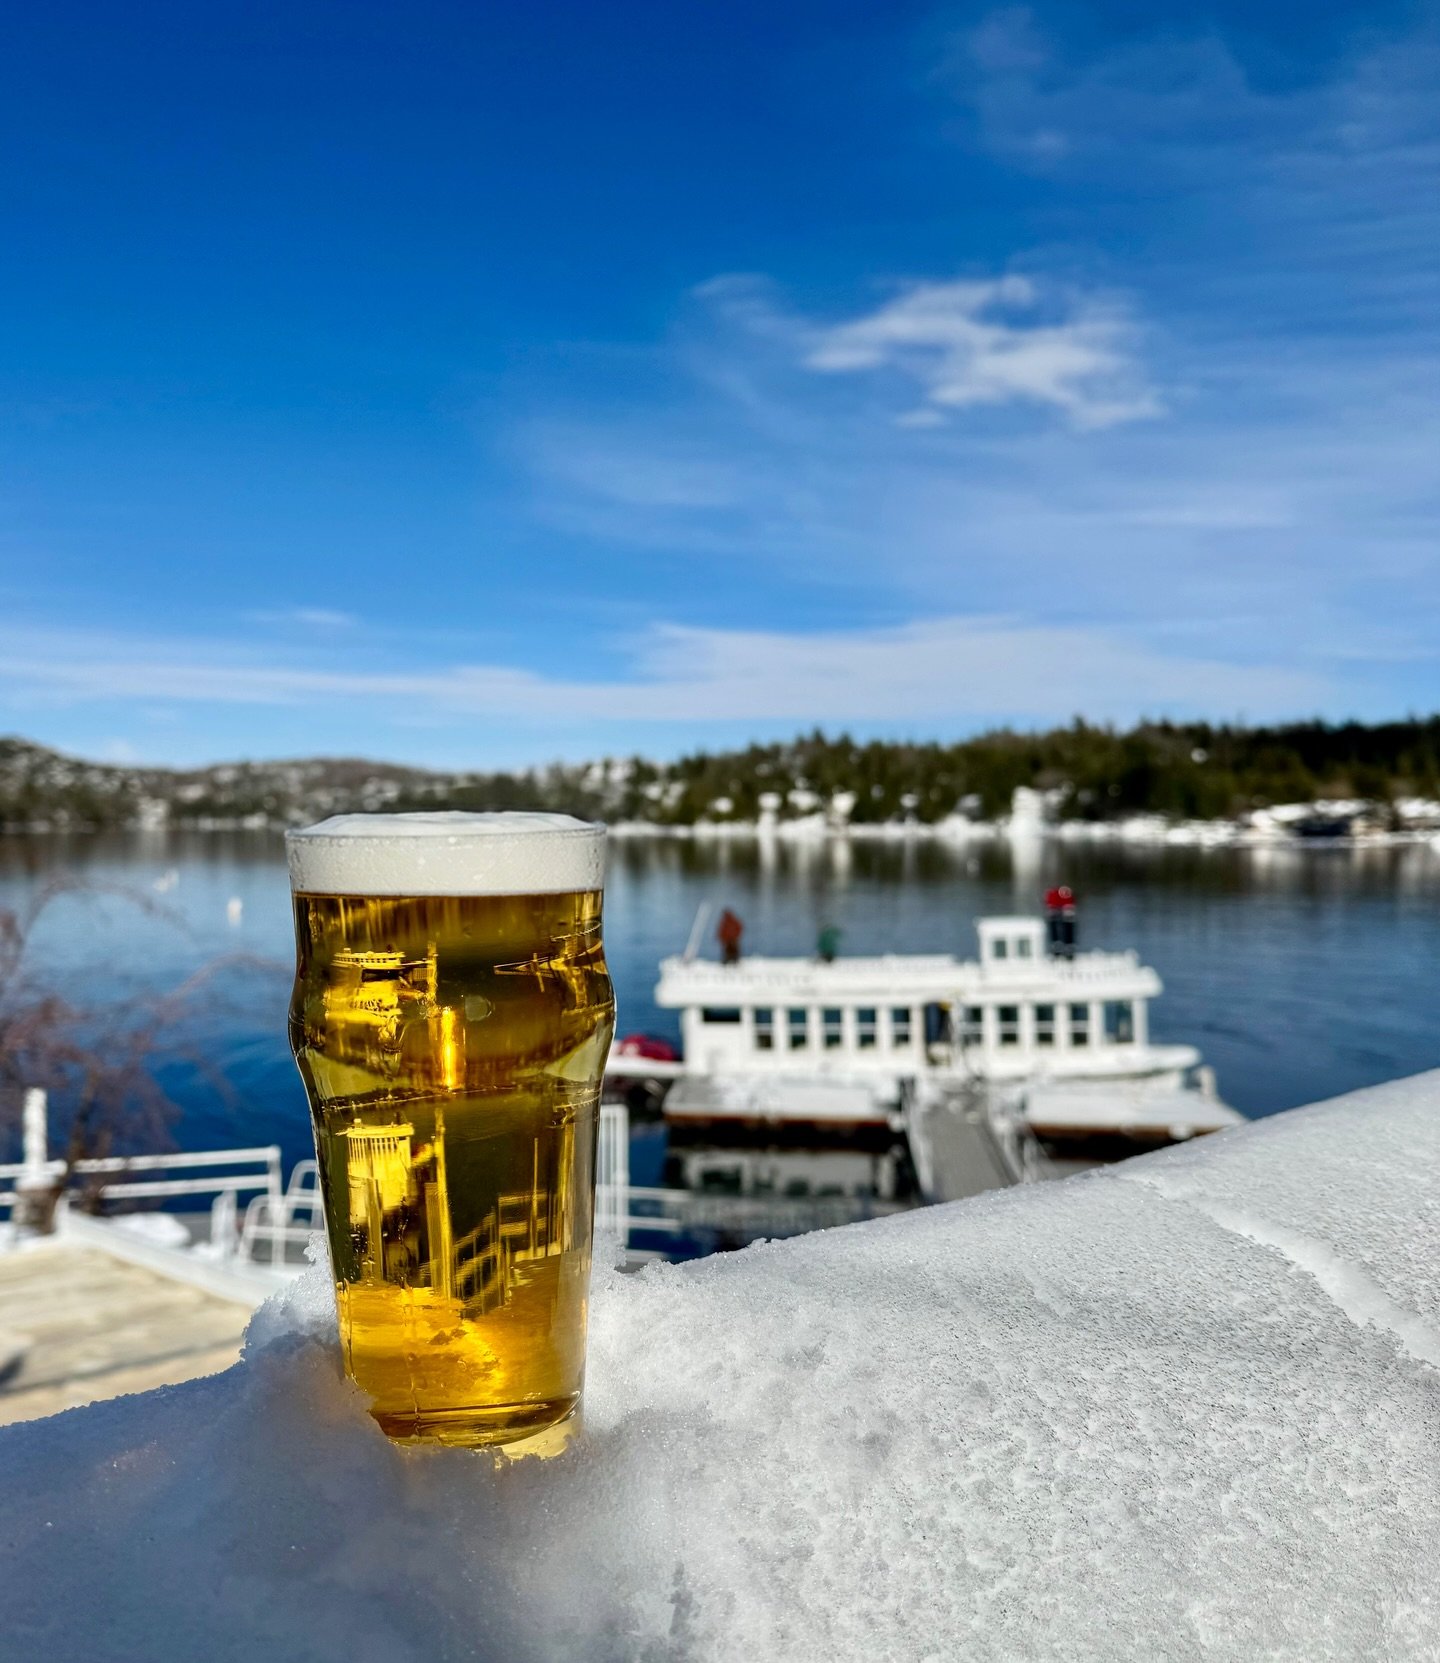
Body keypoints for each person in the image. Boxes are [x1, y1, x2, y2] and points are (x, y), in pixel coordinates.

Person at [1043, 885, 1077, 958]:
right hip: (1062, 913)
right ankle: (1062, 948)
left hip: (1062, 913)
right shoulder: (1062, 891)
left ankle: (1063, 948)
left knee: (1063, 929)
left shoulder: (1055, 892)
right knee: (1063, 929)